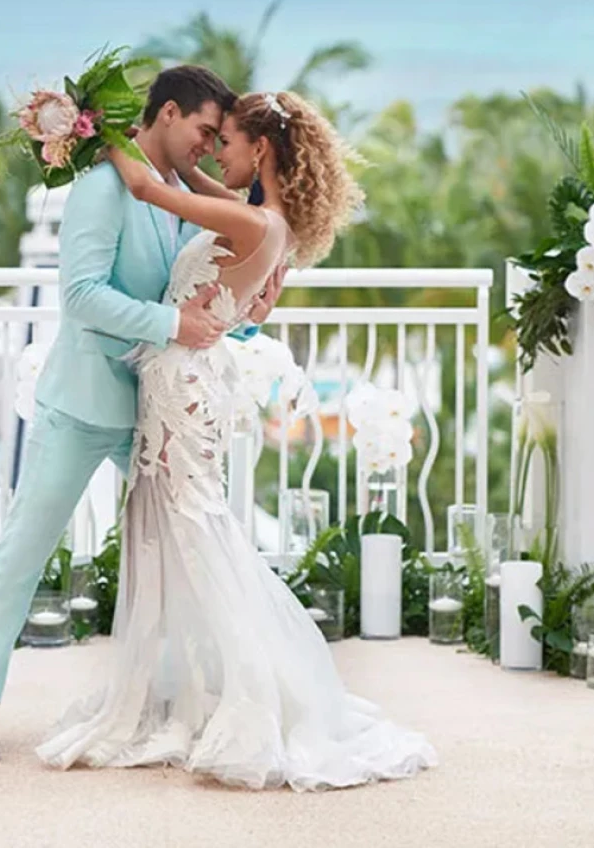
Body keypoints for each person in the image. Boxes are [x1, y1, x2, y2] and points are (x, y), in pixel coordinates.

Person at [36, 91, 438, 791]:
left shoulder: (253, 222)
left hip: (181, 382)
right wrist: (175, 157)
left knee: (192, 529)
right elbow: (192, 186)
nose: (214, 150)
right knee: (167, 523)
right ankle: (187, 687)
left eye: (227, 141)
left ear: (261, 150)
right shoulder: (268, 225)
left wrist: (88, 124)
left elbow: (140, 183)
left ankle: (250, 693)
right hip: (185, 381)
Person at [0, 66, 280, 764]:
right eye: (203, 131)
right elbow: (82, 296)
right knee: (23, 550)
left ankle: (191, 695)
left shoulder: (171, 195)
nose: (208, 146)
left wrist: (239, 311)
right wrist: (172, 325)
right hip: (82, 404)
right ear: (165, 113)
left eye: (220, 137)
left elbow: (207, 287)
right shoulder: (103, 186)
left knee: (182, 549)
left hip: (155, 411)